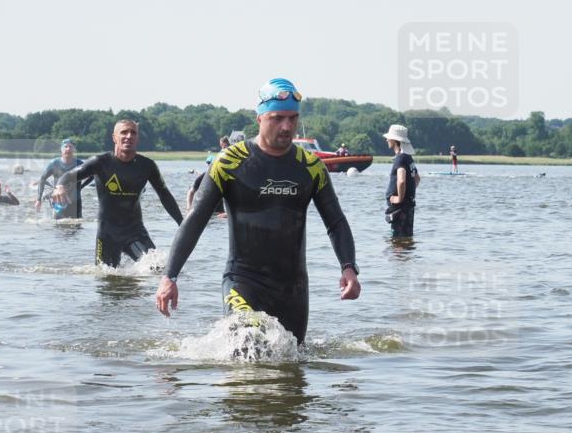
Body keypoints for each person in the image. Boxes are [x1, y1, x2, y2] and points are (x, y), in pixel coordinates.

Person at [155, 78, 360, 344]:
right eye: (278, 118)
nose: (287, 126)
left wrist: (349, 267)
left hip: (293, 290)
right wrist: (169, 276)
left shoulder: (311, 167)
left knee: (291, 363)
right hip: (243, 281)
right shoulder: (229, 163)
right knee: (247, 341)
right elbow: (195, 220)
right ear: (260, 118)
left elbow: (336, 221)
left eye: (293, 118)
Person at [52, 119, 183, 267]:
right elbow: (69, 176)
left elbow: (165, 195)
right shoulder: (100, 162)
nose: (129, 136)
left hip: (135, 232)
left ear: (137, 138)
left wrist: (183, 223)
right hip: (107, 234)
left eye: (133, 133)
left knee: (157, 268)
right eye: (124, 132)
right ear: (114, 137)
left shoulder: (147, 166)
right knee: (105, 277)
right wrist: (59, 186)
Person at [35, 138, 87, 219]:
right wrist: (39, 199)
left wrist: (81, 187)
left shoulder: (79, 164)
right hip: (58, 202)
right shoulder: (54, 164)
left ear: (74, 149)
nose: (68, 149)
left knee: (77, 225)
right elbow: (42, 179)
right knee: (58, 225)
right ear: (61, 149)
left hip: (75, 203)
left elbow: (92, 176)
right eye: (65, 147)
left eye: (70, 147)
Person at [384, 124, 420, 238]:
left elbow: (401, 180)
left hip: (400, 208)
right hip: (408, 206)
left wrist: (400, 198)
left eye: (389, 138)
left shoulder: (400, 158)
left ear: (395, 141)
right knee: (406, 238)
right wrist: (408, 193)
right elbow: (417, 178)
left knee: (398, 242)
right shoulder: (408, 158)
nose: (387, 140)